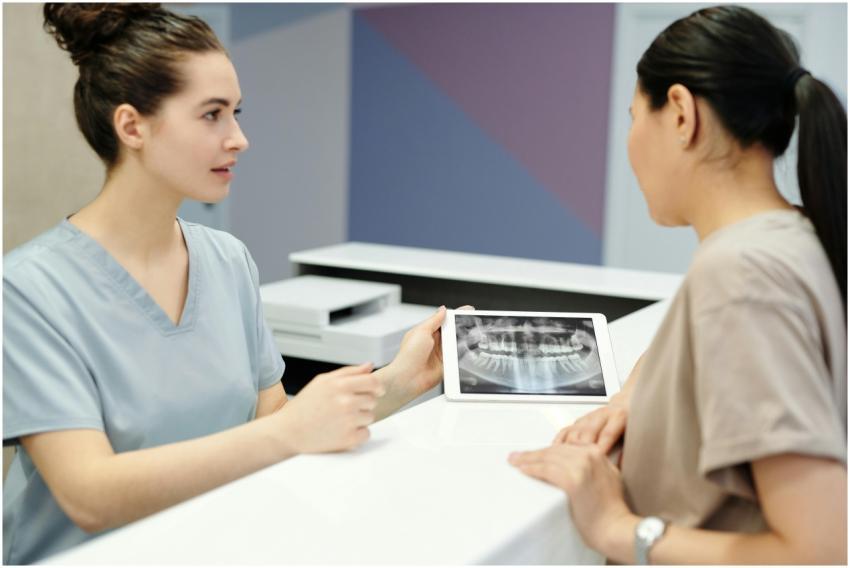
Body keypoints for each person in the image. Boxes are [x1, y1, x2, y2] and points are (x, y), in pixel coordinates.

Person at [2, 4, 447, 564]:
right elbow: (90, 494)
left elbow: (276, 423)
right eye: (212, 115)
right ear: (132, 126)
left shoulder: (227, 260)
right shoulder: (27, 290)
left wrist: (402, 381)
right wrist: (289, 434)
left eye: (236, 113)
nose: (239, 138)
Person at [509, 5, 847, 564]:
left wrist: (618, 528)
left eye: (634, 117)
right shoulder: (794, 235)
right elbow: (701, 349)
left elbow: (819, 550)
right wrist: (630, 398)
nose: (631, 141)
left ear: (682, 114)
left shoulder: (741, 274)